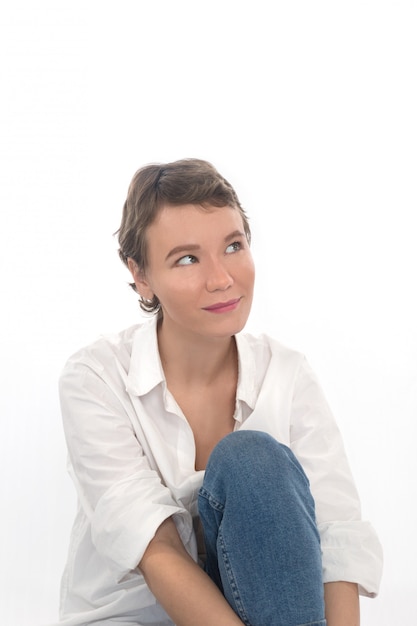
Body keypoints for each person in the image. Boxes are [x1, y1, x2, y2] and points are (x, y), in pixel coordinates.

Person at [55, 159, 383, 626]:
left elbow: (336, 537)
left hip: (270, 611)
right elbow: (156, 548)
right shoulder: (96, 378)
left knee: (253, 460)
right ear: (141, 273)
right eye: (187, 258)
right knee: (246, 460)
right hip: (136, 617)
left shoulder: (286, 373)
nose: (221, 278)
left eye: (233, 246)